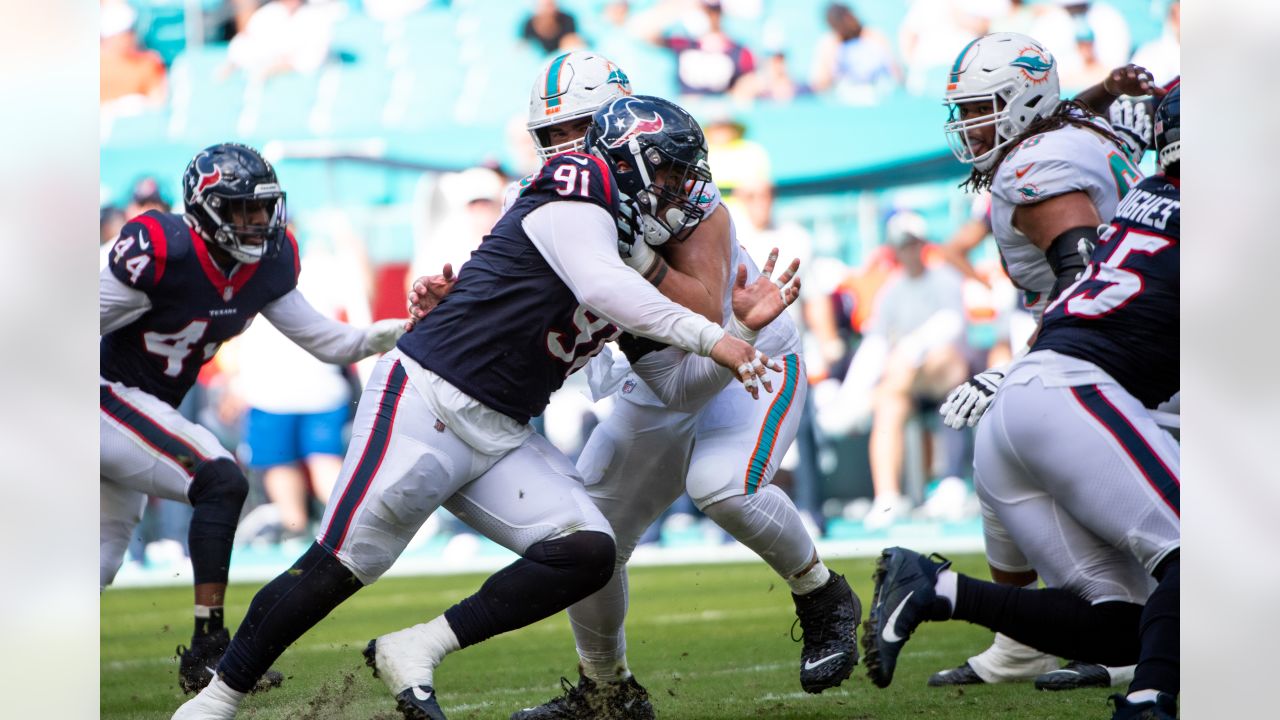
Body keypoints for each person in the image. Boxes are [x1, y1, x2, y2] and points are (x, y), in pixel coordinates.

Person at [171, 96, 780, 720]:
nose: (684, 187)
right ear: (635, 164)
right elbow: (602, 286)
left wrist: (748, 333)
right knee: (342, 564)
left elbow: (674, 385)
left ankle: (415, 649)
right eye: (674, 172)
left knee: (587, 551)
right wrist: (716, 335)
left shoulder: (635, 248)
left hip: (501, 429)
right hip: (427, 395)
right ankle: (216, 700)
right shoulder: (577, 188)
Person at [412, 54, 860, 717]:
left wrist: (635, 258)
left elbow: (707, 313)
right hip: (658, 373)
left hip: (748, 356)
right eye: (551, 136)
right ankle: (606, 694)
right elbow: (546, 326)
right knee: (587, 539)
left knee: (722, 484)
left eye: (580, 130)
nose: (566, 151)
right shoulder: (536, 204)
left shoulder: (686, 197)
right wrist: (456, 305)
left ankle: (822, 593)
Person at [862, 85, 1180, 720]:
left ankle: (935, 588)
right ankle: (1149, 702)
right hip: (1071, 394)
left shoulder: (1147, 194)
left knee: (1124, 626)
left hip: (1029, 400)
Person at [100, 143, 407, 694]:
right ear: (206, 207)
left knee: (97, 564)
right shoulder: (160, 248)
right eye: (243, 209)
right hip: (98, 395)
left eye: (264, 208)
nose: (258, 222)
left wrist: (398, 331)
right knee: (218, 478)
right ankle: (209, 649)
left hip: (140, 410)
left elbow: (328, 341)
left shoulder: (265, 264)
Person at [930, 32, 1160, 689]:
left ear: (1024, 100)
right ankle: (1024, 642)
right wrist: (1108, 90)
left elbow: (1086, 282)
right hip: (1142, 332)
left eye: (982, 108)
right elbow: (1074, 109)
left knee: (1040, 458)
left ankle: (1134, 640)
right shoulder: (1077, 126)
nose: (971, 127)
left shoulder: (1038, 171)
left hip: (1124, 346)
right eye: (966, 111)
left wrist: (1018, 369)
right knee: (997, 454)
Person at [819, 211, 970, 530]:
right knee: (890, 400)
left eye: (913, 243)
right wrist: (854, 391)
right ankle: (887, 497)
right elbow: (876, 344)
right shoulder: (892, 291)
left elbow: (953, 327)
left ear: (922, 245)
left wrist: (910, 351)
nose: (909, 251)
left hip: (940, 376)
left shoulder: (945, 279)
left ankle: (952, 482)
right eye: (903, 245)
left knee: (942, 362)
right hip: (907, 384)